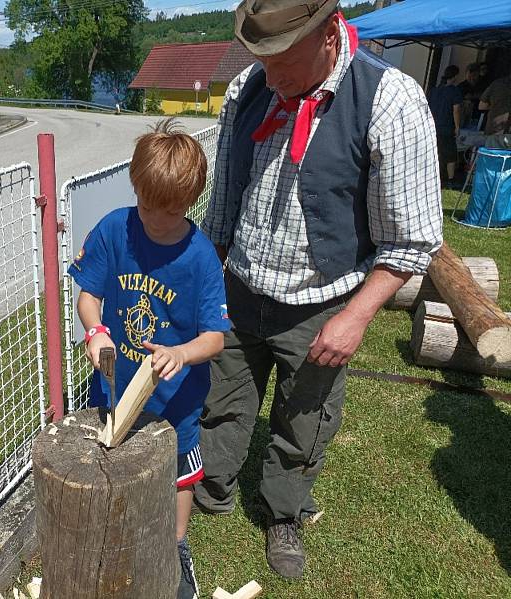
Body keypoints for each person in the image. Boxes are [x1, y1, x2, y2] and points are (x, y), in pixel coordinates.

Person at [196, 0, 443, 580]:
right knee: (223, 400)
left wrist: (354, 317)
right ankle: (210, 485)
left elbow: (411, 241)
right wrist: (211, 274)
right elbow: (226, 197)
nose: (271, 78)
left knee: (304, 419)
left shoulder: (390, 99)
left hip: (322, 298)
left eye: (284, 63)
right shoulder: (249, 87)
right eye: (262, 61)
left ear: (330, 34)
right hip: (242, 285)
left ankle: (283, 511)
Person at [68, 118, 229, 599]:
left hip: (176, 400)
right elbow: (87, 294)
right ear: (135, 187)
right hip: (114, 391)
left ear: (190, 201)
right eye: (147, 205)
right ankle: (112, 538)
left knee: (181, 471)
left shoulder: (200, 257)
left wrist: (182, 351)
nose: (156, 220)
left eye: (171, 211)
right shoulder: (115, 230)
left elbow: (215, 338)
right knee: (113, 463)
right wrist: (96, 331)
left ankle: (177, 544)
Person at [428, 65, 463, 188]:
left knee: (435, 152)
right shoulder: (454, 91)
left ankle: (432, 176)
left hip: (433, 126)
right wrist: (457, 126)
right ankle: (450, 180)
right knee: (450, 155)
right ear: (454, 76)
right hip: (446, 127)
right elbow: (456, 110)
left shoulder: (435, 90)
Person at [458, 63, 481, 127]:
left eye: (475, 75)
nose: (473, 78)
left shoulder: (480, 85)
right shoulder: (461, 86)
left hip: (476, 116)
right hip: (463, 116)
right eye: (471, 75)